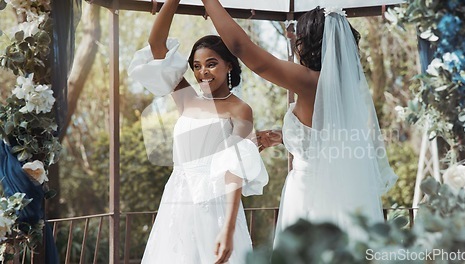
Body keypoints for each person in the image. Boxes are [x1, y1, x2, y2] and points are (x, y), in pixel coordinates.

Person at [201, 1, 398, 244]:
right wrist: (286, 137)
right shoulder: (346, 88)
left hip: (309, 195)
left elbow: (241, 47)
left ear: (309, 44)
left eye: (300, 39)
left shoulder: (309, 81)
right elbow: (327, 138)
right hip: (341, 194)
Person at [127, 0, 269, 263]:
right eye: (196, 65)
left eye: (211, 64)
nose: (202, 72)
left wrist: (227, 229)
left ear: (229, 65)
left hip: (215, 207)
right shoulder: (187, 99)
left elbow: (234, 170)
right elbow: (157, 45)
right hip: (176, 204)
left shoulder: (240, 110)